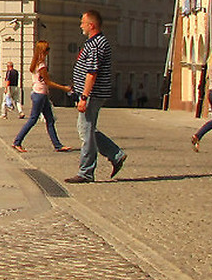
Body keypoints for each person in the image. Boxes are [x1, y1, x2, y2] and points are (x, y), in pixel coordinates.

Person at [64, 10, 128, 184]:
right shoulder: (94, 42)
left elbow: (92, 72)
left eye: (83, 22)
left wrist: (84, 96)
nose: (81, 25)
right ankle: (116, 155)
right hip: (90, 92)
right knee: (88, 129)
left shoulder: (96, 44)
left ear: (91, 25)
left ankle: (86, 171)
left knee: (85, 131)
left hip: (92, 94)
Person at [12, 40, 72, 152]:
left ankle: (58, 145)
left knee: (50, 120)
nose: (49, 51)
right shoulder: (41, 65)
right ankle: (17, 142)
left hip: (39, 93)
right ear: (43, 50)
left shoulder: (35, 62)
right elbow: (48, 82)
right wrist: (64, 88)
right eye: (47, 49)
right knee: (33, 119)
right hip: (39, 94)